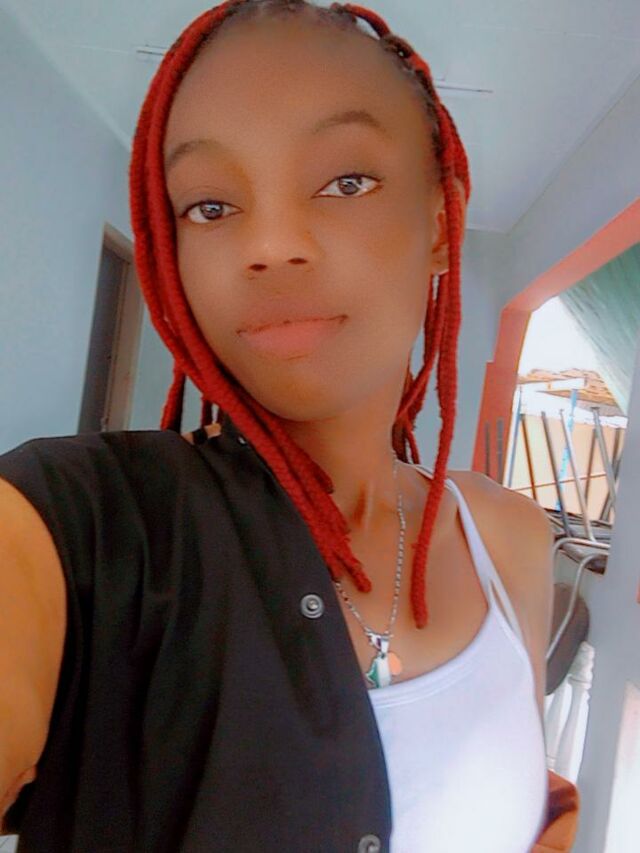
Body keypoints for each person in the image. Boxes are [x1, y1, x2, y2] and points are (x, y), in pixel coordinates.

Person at [0, 1, 579, 850]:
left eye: (347, 181)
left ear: (442, 220)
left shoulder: (509, 538)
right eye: (209, 205)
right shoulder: (89, 523)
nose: (269, 245)